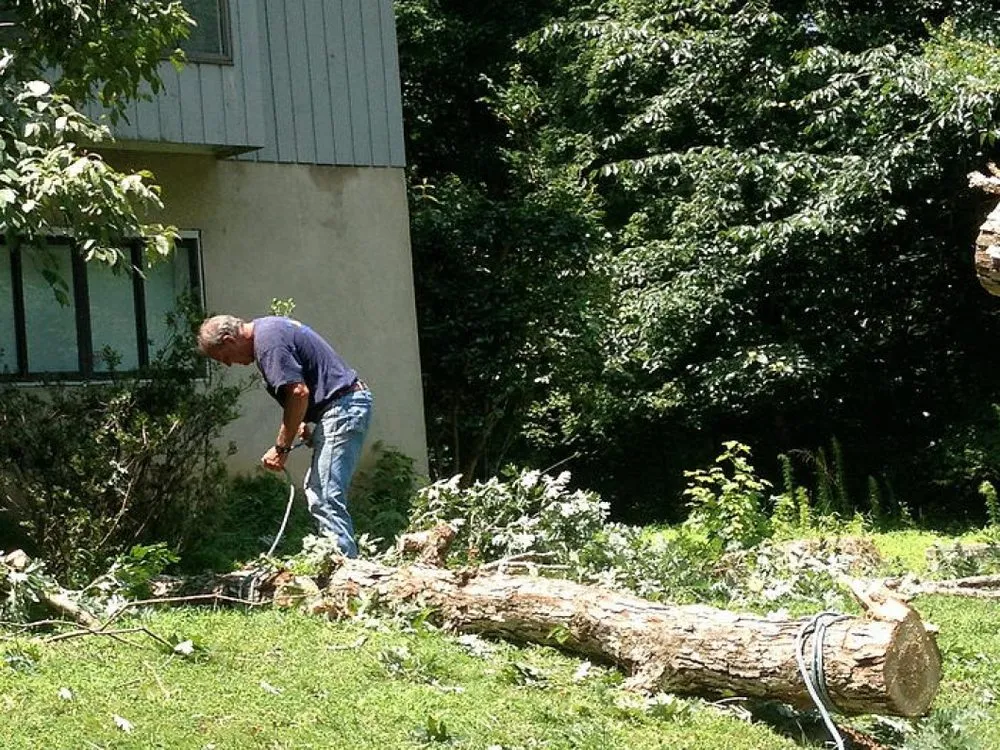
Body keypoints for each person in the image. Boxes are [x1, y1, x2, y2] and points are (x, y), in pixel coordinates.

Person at [197, 314, 373, 557]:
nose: (228, 364)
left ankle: (346, 571)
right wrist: (302, 421)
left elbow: (298, 393)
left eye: (225, 358)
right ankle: (340, 564)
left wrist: (281, 448)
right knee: (320, 491)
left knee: (324, 495)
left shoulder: (268, 344)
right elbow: (303, 387)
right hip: (341, 406)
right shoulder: (270, 331)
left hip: (342, 408)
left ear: (229, 340)